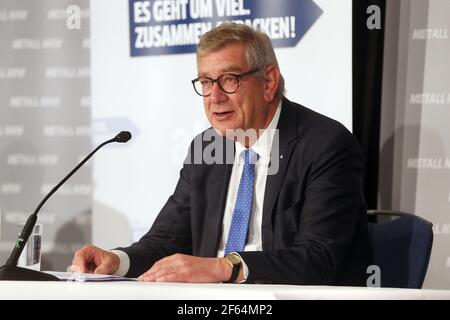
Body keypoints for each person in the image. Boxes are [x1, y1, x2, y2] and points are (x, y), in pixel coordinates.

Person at [72, 22, 369, 285]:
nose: (214, 97)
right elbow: (166, 241)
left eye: (229, 79)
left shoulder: (325, 145)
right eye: (205, 82)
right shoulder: (207, 148)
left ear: (268, 82)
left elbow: (318, 259)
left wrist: (223, 268)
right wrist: (117, 260)